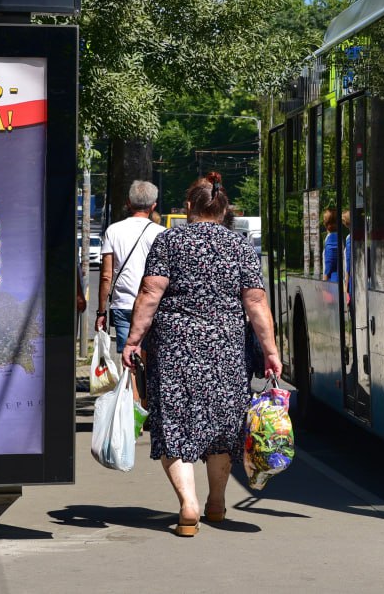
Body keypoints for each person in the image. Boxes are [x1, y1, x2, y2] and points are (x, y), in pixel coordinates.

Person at [122, 172, 281, 538]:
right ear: (224, 210)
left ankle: (188, 505)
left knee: (174, 423)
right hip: (227, 345)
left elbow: (149, 293)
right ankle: (217, 502)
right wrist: (271, 352)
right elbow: (255, 302)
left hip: (175, 345)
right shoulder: (239, 245)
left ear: (190, 206)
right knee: (223, 423)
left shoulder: (169, 240)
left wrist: (133, 341)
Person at [97, 180, 166, 353]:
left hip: (123, 303)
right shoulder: (162, 233)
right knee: (150, 357)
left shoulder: (113, 231)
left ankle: (131, 380)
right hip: (154, 304)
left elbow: (106, 276)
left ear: (129, 202)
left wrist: (101, 312)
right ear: (153, 205)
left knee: (129, 360)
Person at [322, 206, 340, 281]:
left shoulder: (330, 239)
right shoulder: (338, 236)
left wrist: (324, 282)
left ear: (326, 223)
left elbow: (329, 264)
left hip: (332, 282)